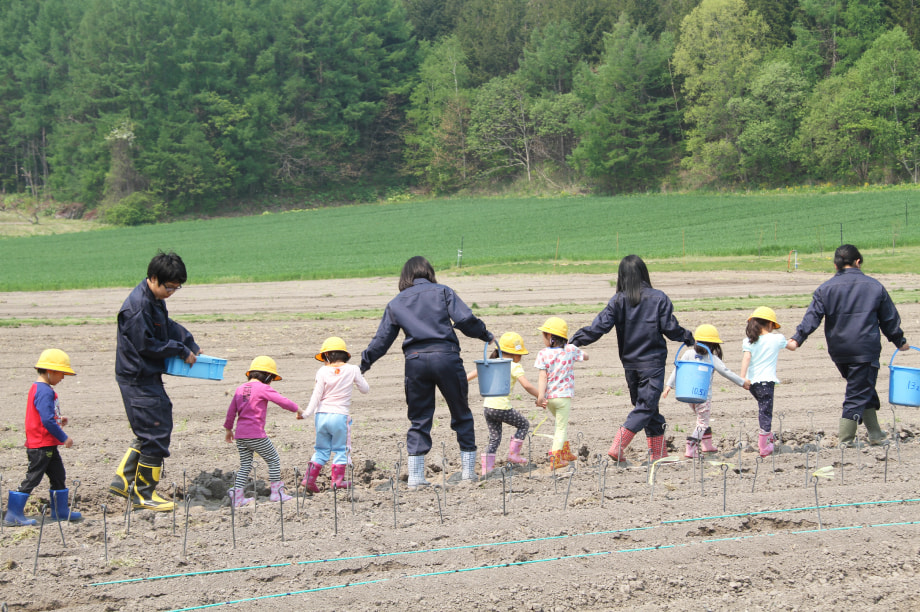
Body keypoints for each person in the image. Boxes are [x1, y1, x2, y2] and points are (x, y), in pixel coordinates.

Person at [360, 256, 494, 489]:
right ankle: (468, 473)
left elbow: (381, 341)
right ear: (429, 272)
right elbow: (464, 319)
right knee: (460, 412)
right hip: (446, 357)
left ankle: (415, 477)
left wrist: (362, 366)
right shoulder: (443, 292)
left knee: (419, 418)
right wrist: (485, 334)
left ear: (405, 276)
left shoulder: (396, 302)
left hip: (415, 362)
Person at [570, 254, 694, 464]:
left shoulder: (617, 301)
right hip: (652, 363)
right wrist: (690, 338)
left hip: (630, 364)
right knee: (646, 406)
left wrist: (574, 341)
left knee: (648, 407)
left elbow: (597, 328)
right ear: (644, 273)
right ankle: (618, 445)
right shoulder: (659, 298)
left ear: (622, 277)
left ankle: (658, 454)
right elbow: (670, 328)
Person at [788, 244, 908, 447]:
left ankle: (876, 435)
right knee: (857, 391)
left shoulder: (825, 289)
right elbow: (889, 318)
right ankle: (846, 440)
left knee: (862, 387)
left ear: (836, 265)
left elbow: (813, 316)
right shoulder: (874, 286)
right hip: (864, 349)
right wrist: (900, 341)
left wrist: (797, 338)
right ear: (858, 262)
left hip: (839, 351)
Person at [109, 251, 200, 512]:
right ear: (153, 278)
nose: (171, 292)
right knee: (156, 432)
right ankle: (144, 494)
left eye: (176, 288)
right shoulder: (137, 308)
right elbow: (147, 344)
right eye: (169, 287)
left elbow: (165, 326)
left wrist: (187, 340)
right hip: (138, 377)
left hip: (144, 375)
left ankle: (125, 481)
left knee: (151, 427)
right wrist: (180, 350)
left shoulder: (153, 300)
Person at [4, 349, 82, 526]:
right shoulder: (45, 391)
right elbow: (46, 420)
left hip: (47, 445)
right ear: (50, 371)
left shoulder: (39, 388)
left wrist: (59, 419)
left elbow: (44, 416)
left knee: (58, 475)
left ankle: (60, 511)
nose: (62, 378)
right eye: (62, 373)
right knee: (33, 477)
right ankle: (13, 514)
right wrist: (63, 437)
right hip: (41, 446)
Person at [663, 325, 750, 458]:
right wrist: (742, 382)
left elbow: (677, 369)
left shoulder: (687, 354)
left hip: (688, 396)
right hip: (703, 398)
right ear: (714, 345)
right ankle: (691, 446)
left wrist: (669, 386)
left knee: (702, 420)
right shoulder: (712, 359)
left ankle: (707, 445)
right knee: (702, 422)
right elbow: (727, 372)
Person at [224, 356, 300, 507]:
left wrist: (228, 430)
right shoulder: (263, 388)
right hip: (256, 434)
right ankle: (276, 493)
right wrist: (298, 409)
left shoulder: (240, 389)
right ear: (267, 376)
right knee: (273, 459)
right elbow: (282, 401)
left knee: (245, 464)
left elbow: (231, 412)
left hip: (240, 435)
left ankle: (237, 494)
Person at [299, 337, 369, 492]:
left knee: (321, 450)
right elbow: (365, 389)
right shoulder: (352, 370)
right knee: (340, 449)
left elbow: (316, 396)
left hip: (321, 416)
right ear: (344, 355)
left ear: (327, 356)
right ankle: (337, 481)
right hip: (340, 416)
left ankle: (308, 479)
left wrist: (306, 414)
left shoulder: (322, 371)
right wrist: (358, 376)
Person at [467, 332, 539, 476]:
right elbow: (526, 385)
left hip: (488, 408)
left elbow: (469, 376)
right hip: (501, 408)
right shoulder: (514, 366)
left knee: (495, 438)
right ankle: (514, 455)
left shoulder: (491, 362)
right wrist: (540, 396)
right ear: (516, 355)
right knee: (524, 424)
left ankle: (487, 470)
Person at [740, 307, 797, 457]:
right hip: (766, 383)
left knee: (763, 408)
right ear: (771, 324)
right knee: (765, 412)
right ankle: (764, 445)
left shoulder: (749, 341)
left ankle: (768, 437)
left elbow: (746, 358)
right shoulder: (777, 339)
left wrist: (742, 378)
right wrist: (794, 340)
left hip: (752, 383)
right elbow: (793, 347)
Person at [534, 318, 588, 469]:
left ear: (550, 337)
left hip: (549, 398)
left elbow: (542, 376)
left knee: (559, 424)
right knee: (561, 427)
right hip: (563, 397)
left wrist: (540, 396)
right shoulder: (570, 350)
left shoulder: (543, 354)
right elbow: (586, 356)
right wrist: (576, 350)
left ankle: (566, 452)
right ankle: (556, 458)